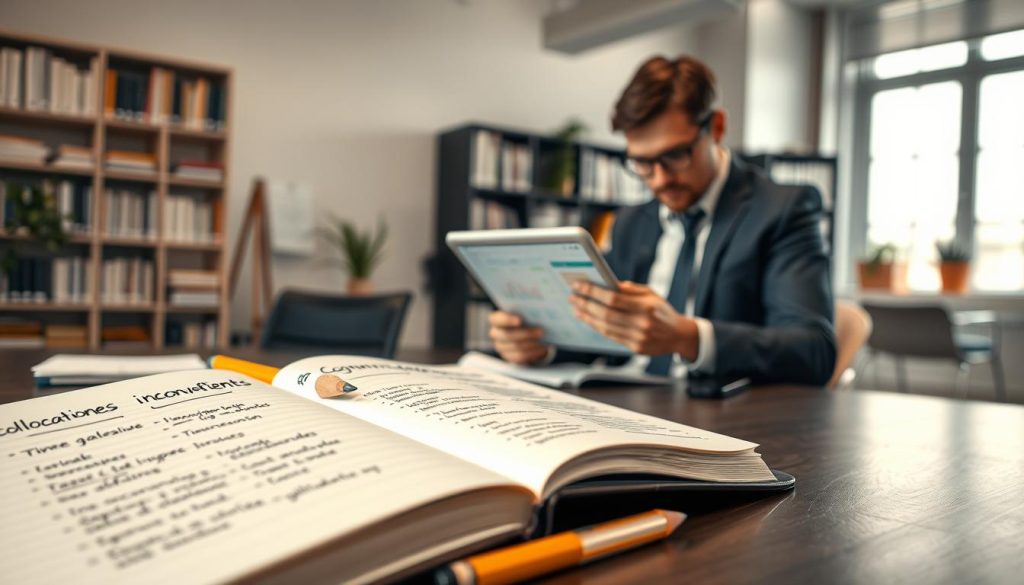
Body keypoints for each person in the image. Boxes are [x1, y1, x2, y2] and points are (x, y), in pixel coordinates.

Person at [488, 55, 836, 386]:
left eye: (674, 155)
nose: (658, 180)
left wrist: (685, 337)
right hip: (623, 401)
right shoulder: (631, 221)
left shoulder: (782, 208)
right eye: (642, 163)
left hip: (717, 417)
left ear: (716, 127)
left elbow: (813, 351)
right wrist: (538, 345)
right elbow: (599, 327)